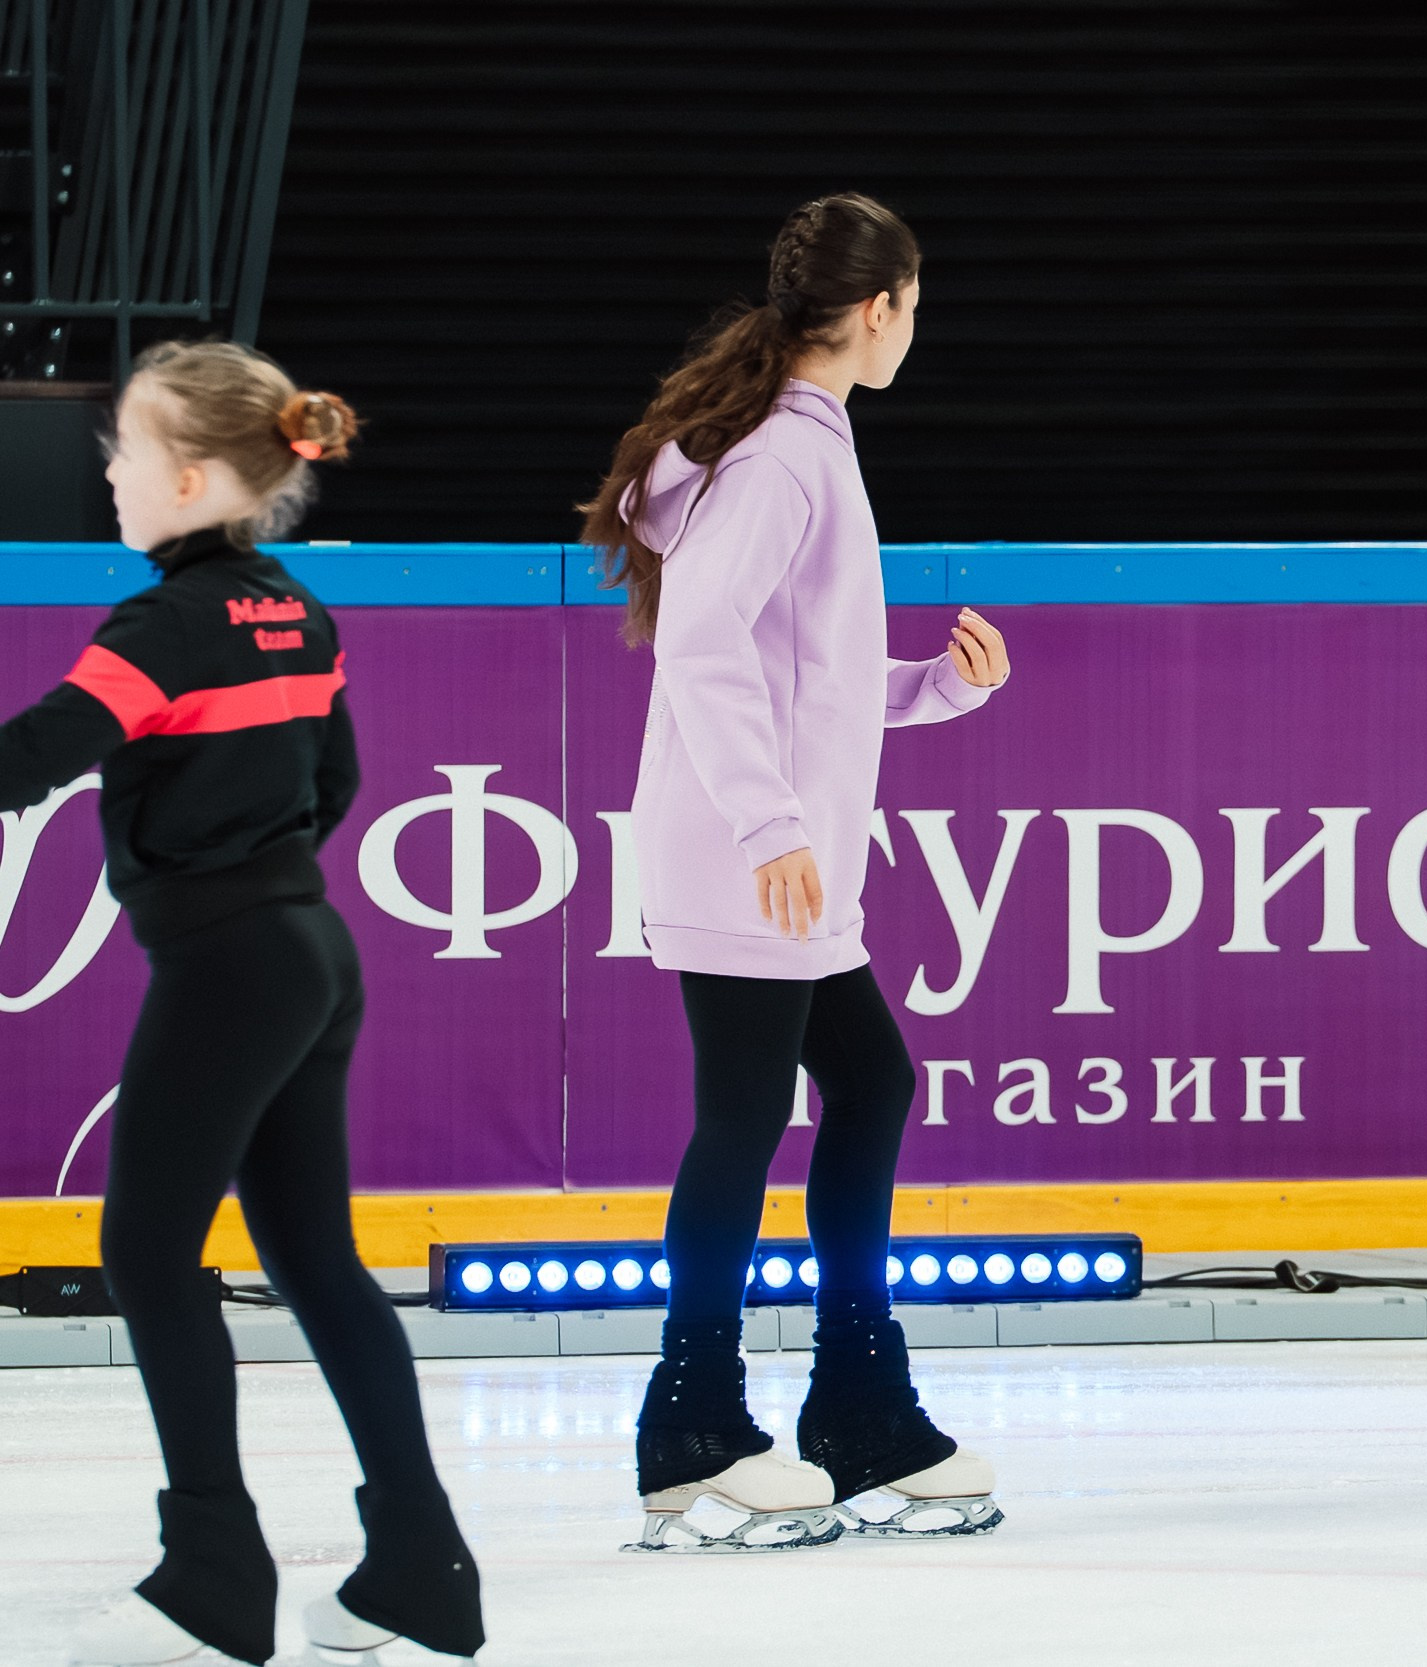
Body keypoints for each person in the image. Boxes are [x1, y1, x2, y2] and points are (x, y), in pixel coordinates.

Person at [0, 343, 485, 1663]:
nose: (108, 475)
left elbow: (32, 756)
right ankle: (421, 1565)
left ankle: (213, 1566)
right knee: (315, 1261)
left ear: (197, 476)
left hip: (229, 968)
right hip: (310, 953)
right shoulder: (296, 613)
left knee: (149, 1252)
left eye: (126, 453)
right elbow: (337, 786)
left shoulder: (160, 627)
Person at [580, 192, 1011, 1552]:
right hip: (745, 852)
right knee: (747, 1113)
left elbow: (801, 673)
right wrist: (771, 829)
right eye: (916, 307)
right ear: (879, 309)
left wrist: (934, 688)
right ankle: (693, 1429)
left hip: (780, 858)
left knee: (872, 1078)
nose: (913, 330)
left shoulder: (795, 444)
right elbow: (704, 649)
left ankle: (857, 1404)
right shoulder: (780, 456)